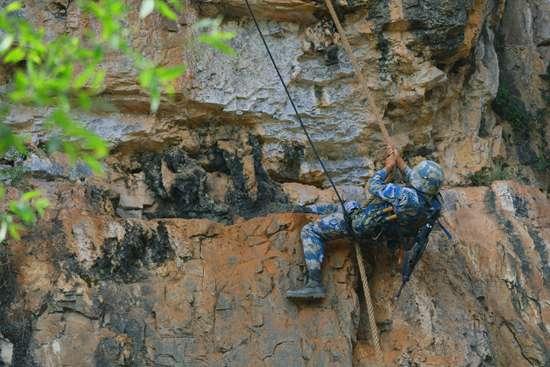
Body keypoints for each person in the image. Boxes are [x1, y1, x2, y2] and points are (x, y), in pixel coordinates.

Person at [286, 147, 444, 300]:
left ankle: (314, 283)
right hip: (388, 233)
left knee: (310, 230)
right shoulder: (434, 202)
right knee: (340, 207)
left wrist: (388, 168)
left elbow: (373, 186)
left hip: (364, 227)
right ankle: (304, 210)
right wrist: (398, 160)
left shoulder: (406, 197)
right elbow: (413, 178)